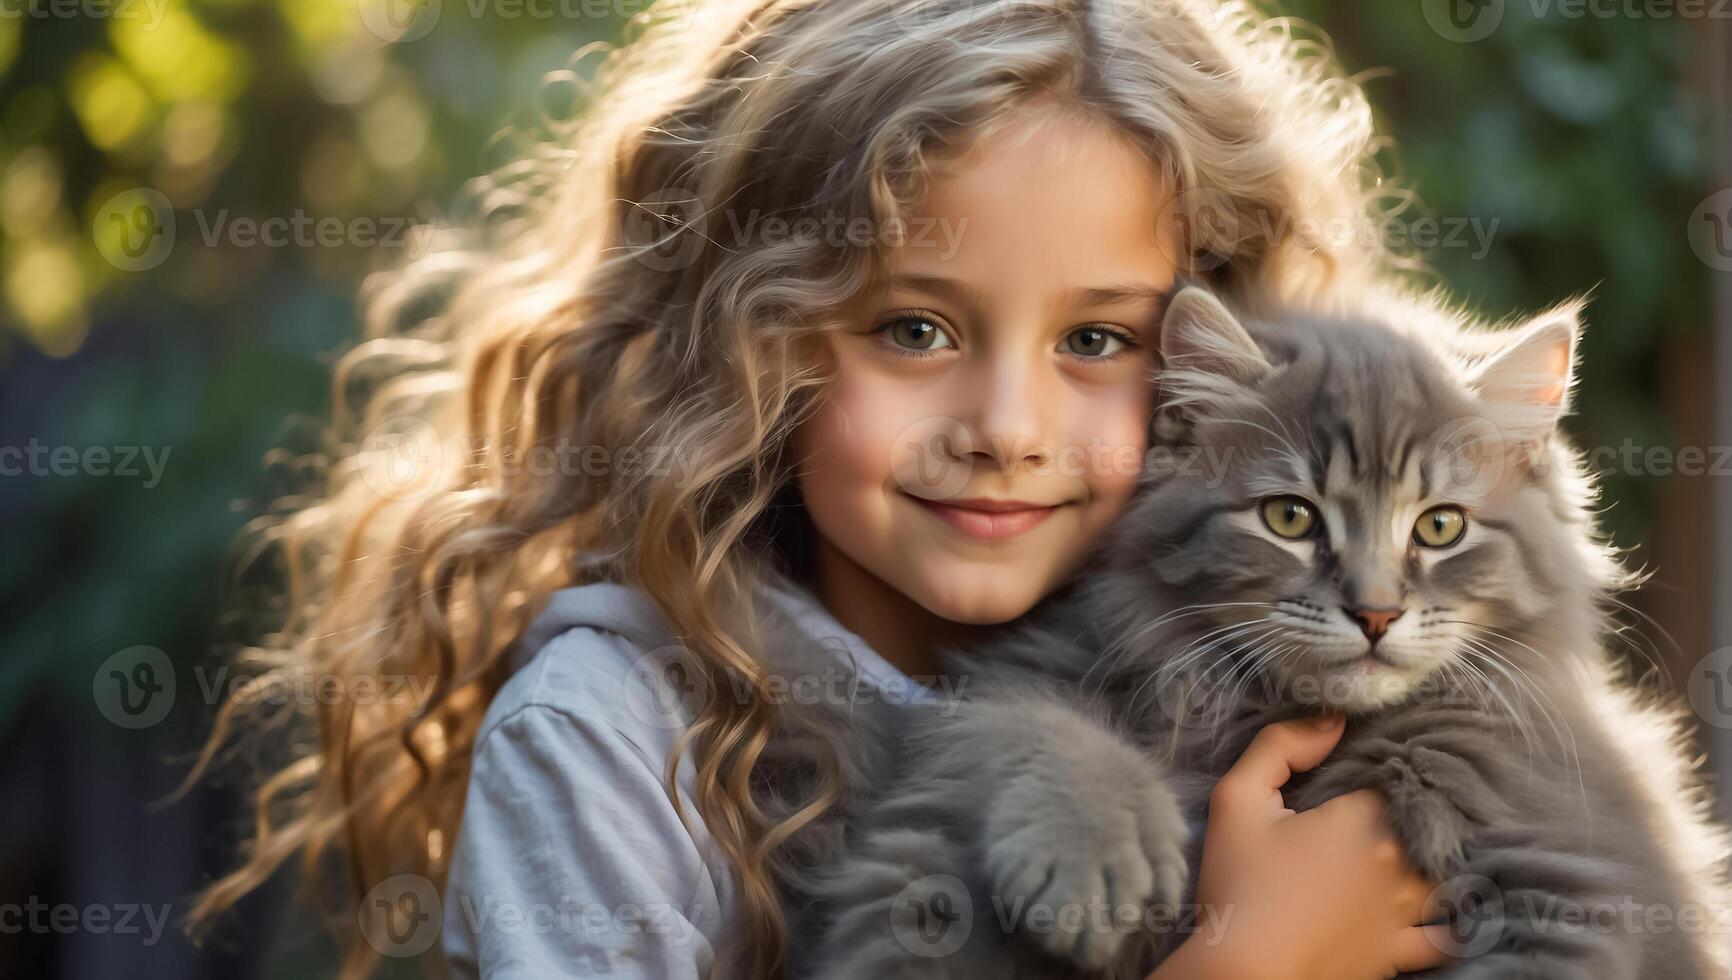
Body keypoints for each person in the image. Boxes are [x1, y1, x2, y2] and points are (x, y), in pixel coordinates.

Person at [189, 1, 1454, 976]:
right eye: (911, 329)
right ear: (753, 339)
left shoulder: (1280, 673)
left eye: (1097, 340)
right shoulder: (610, 740)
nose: (1007, 430)